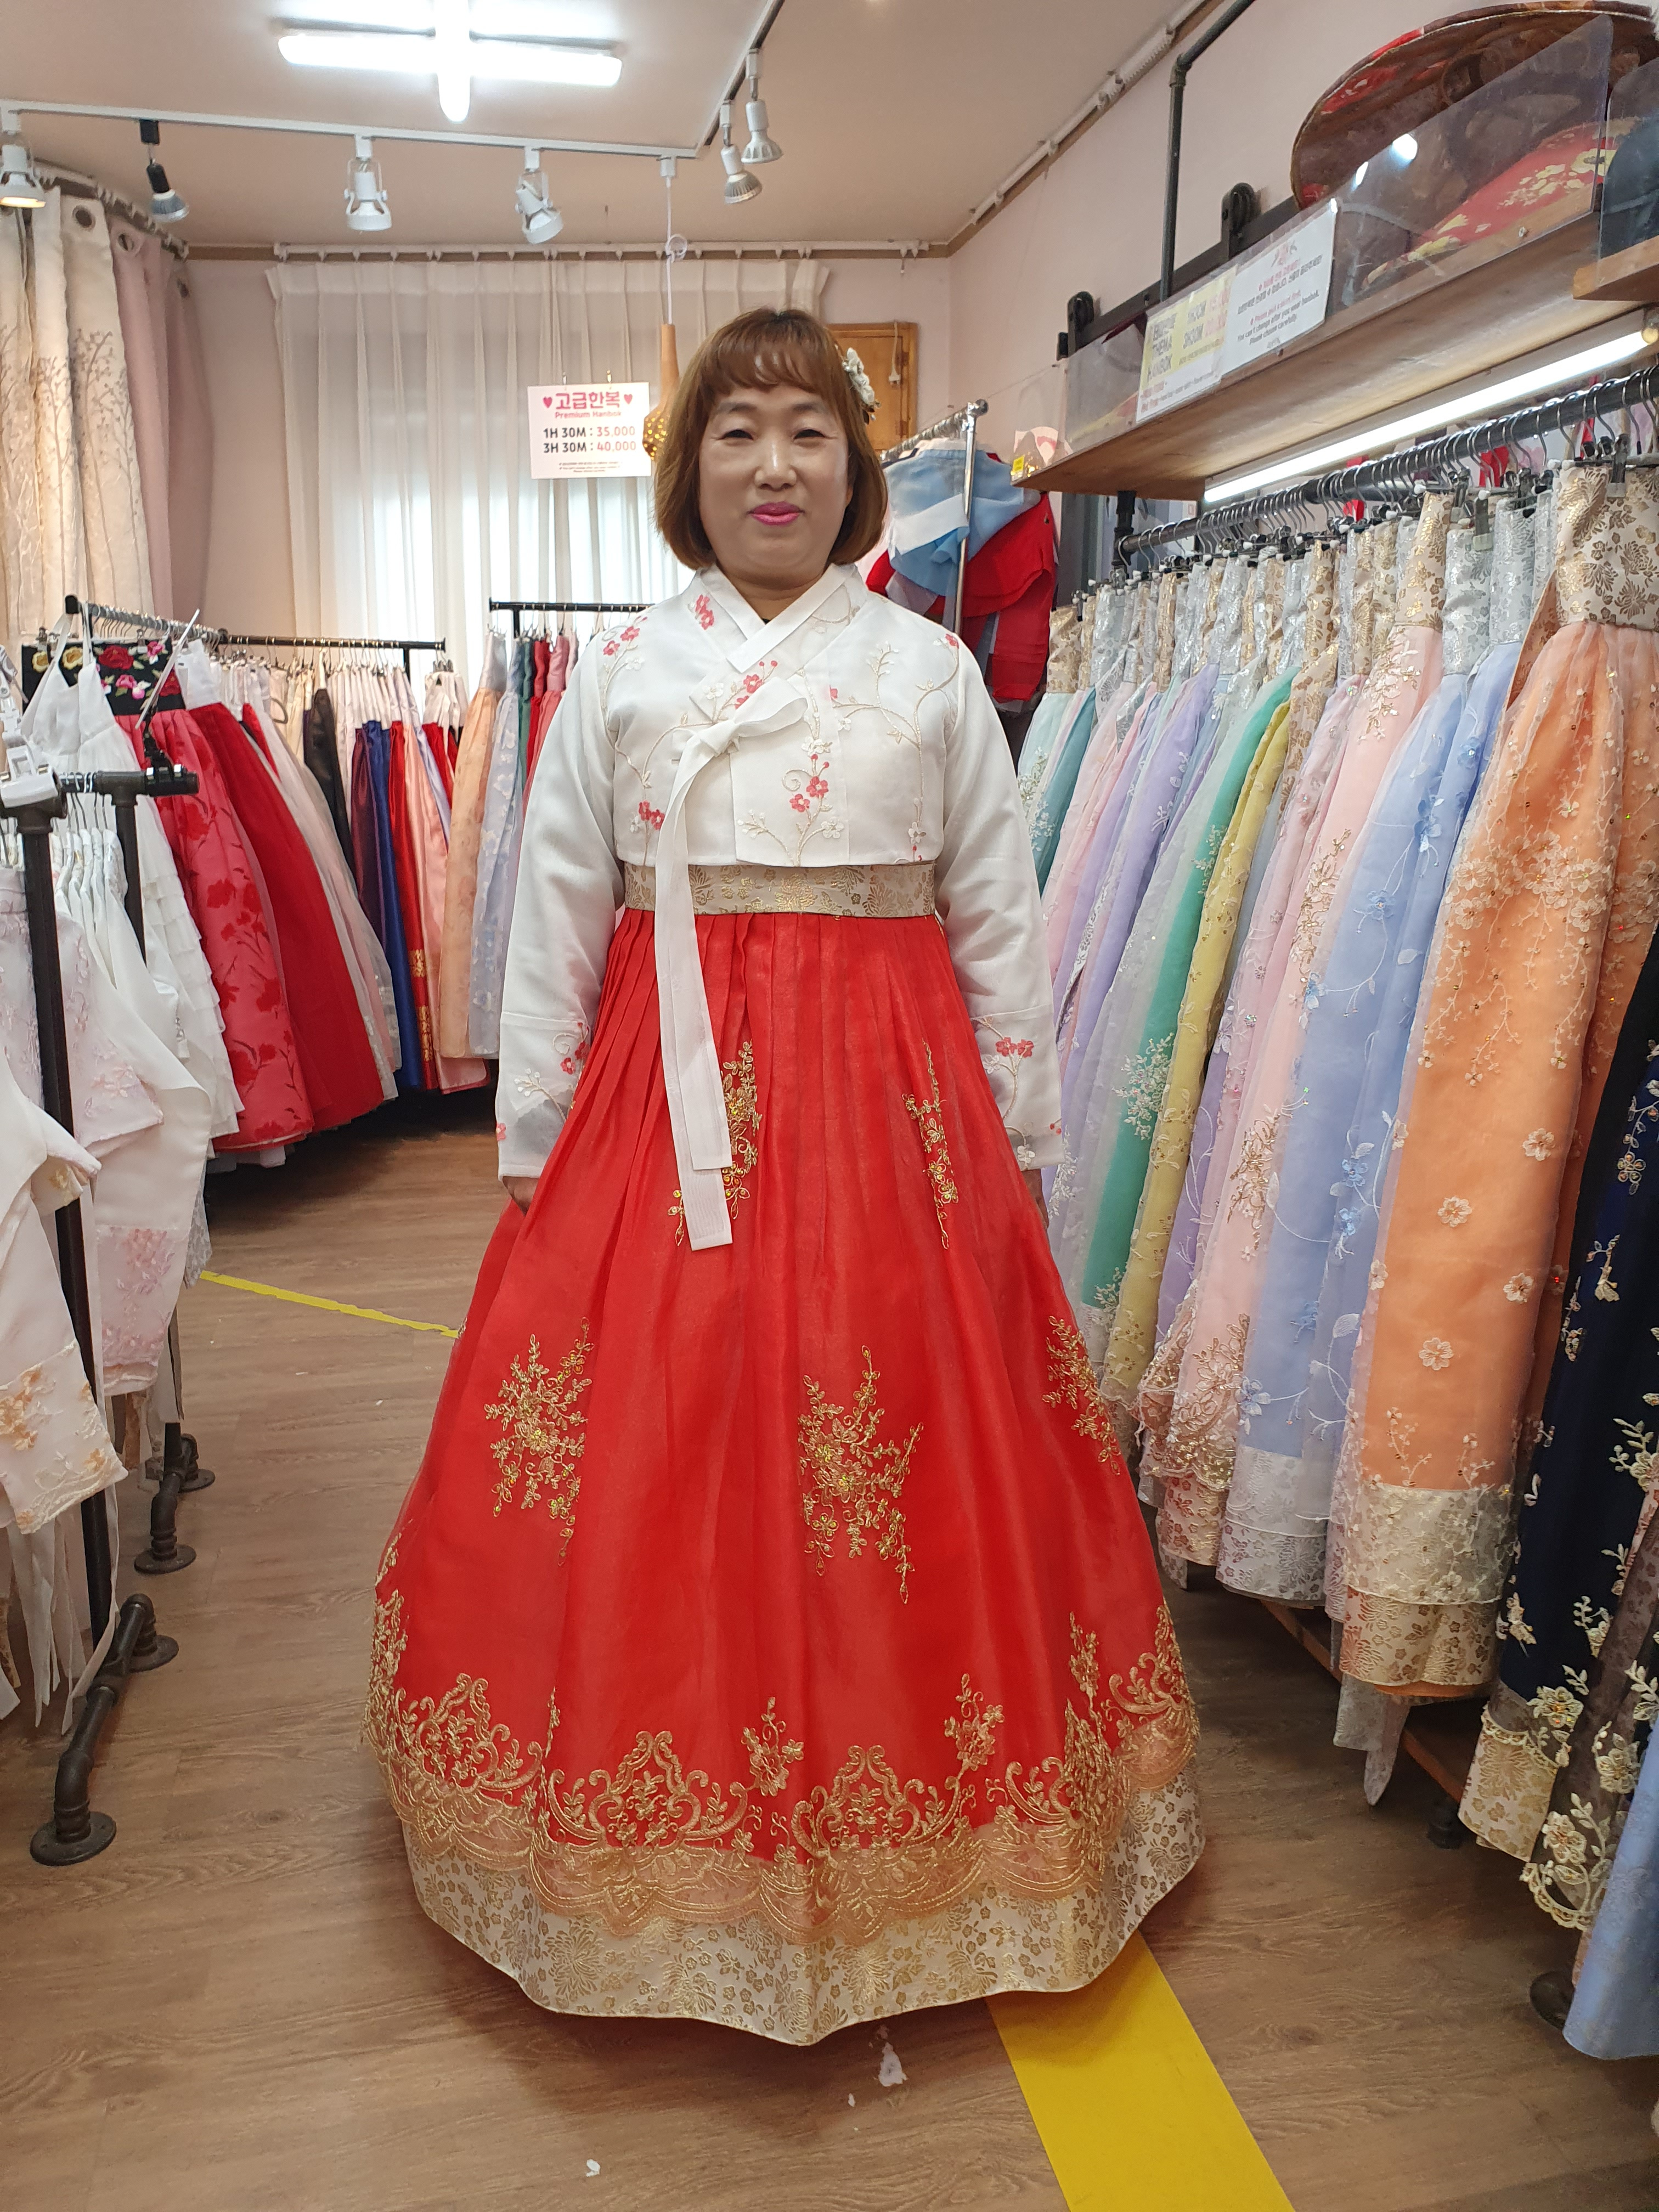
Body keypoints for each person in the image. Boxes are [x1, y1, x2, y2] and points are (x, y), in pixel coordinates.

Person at [366, 308, 1201, 2045]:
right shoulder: (622, 676)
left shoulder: (929, 672)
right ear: (689, 472)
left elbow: (996, 912)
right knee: (665, 1422)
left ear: (854, 470)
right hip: (662, 1092)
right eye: (737, 432)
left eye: (808, 434)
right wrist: (536, 1137)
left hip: (893, 1100)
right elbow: (559, 917)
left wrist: (1021, 1134)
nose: (773, 467)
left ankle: (946, 1830)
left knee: (882, 1424)